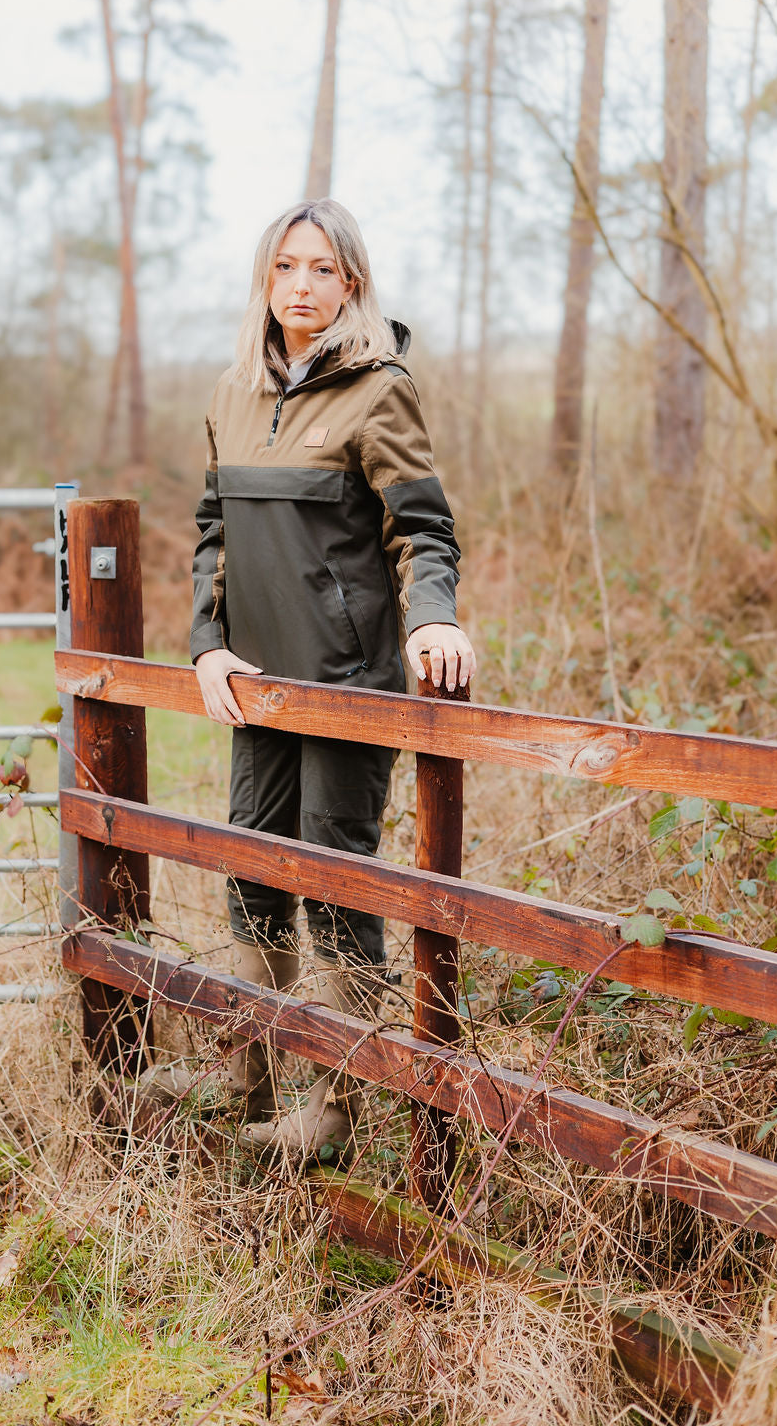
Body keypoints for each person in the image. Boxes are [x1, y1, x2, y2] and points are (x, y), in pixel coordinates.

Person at [189, 198, 476, 1158]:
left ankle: (336, 1109)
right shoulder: (233, 392)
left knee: (333, 878)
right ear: (264, 280)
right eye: (285, 268)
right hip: (255, 684)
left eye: (321, 269)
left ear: (351, 281)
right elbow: (213, 534)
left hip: (347, 682)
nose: (300, 286)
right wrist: (206, 643)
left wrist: (432, 615)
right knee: (254, 868)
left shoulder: (380, 390)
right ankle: (253, 1078)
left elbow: (421, 530)